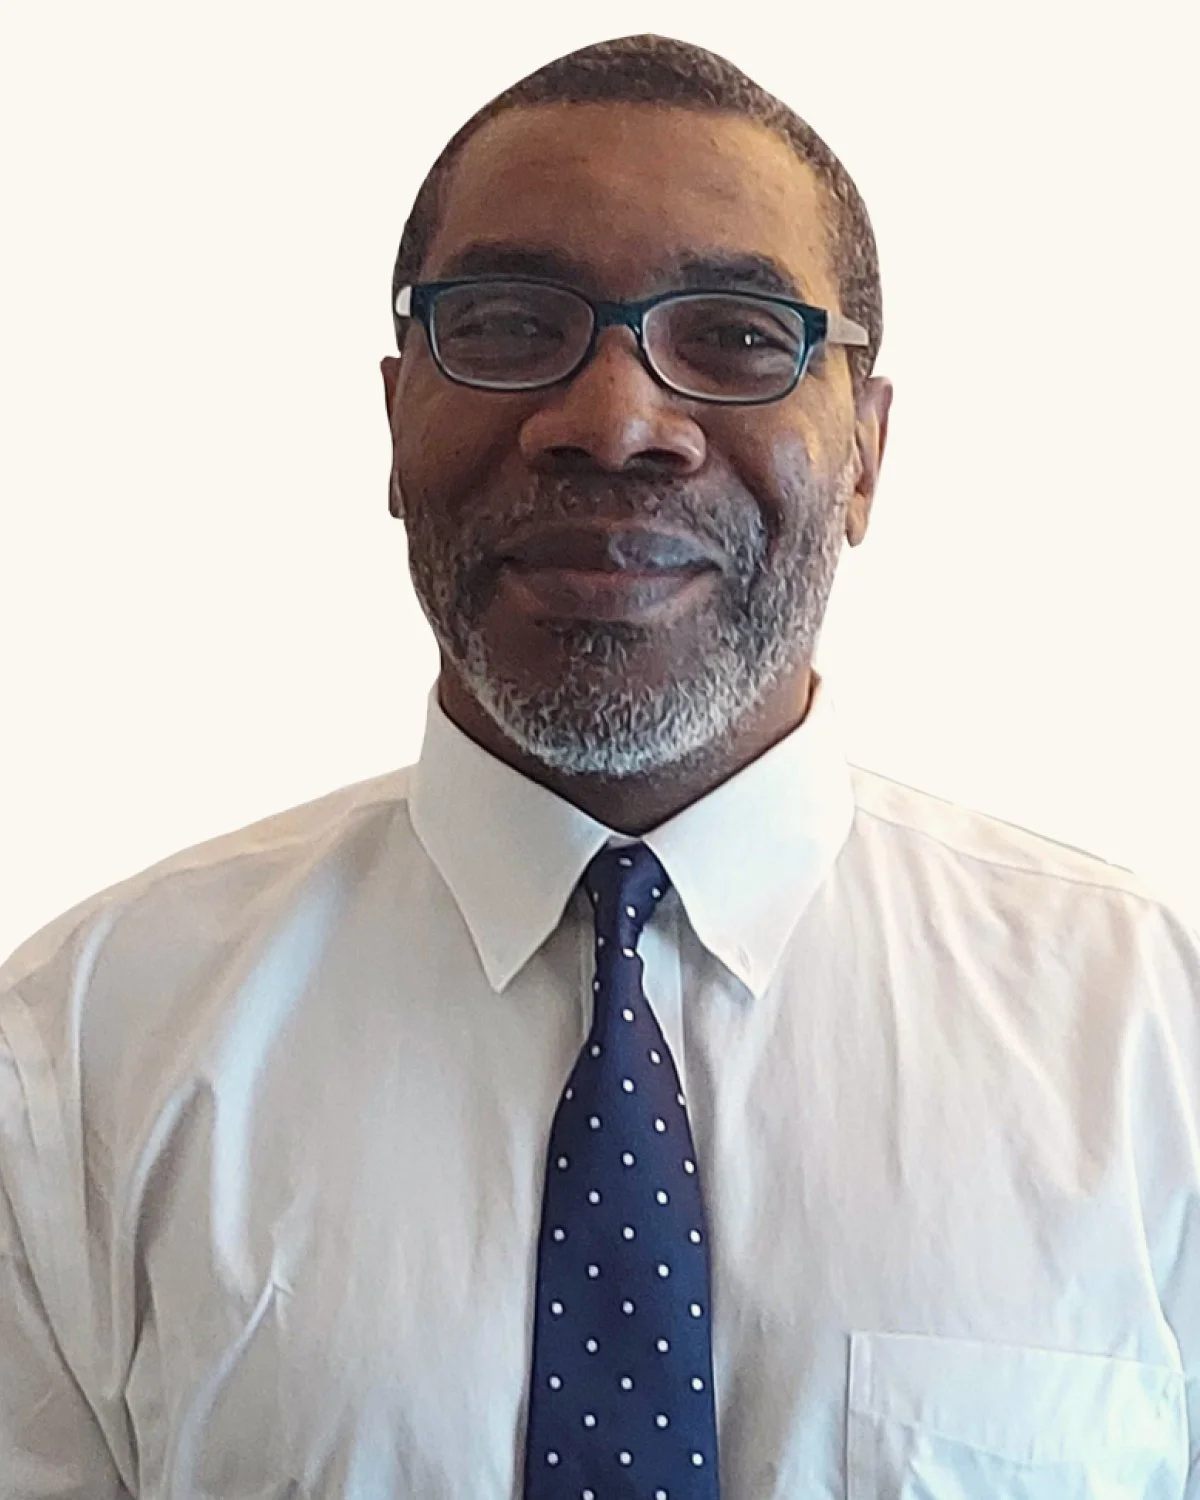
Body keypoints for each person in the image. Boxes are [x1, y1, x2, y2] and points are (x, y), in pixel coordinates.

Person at [1, 30, 1196, 1500]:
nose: (617, 423)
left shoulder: (1156, 1041)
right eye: (509, 325)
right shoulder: (80, 1054)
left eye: (737, 338)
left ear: (867, 454)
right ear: (394, 419)